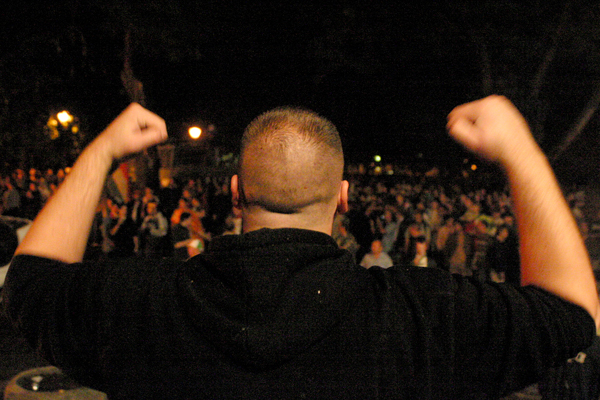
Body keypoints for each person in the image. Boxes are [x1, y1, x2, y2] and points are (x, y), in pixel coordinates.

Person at [3, 97, 600, 399]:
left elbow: (27, 281)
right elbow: (573, 312)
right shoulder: (420, 316)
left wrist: (103, 151)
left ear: (236, 191)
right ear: (343, 197)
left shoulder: (142, 302)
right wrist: (520, 150)